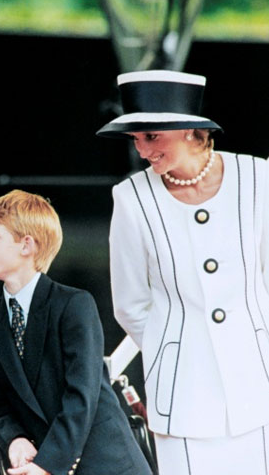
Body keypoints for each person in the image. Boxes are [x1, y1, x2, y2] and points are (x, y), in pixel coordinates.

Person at [99, 70, 269, 474]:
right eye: (136, 139)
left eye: (151, 136)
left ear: (191, 129)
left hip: (259, 383)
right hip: (182, 397)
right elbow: (130, 304)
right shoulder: (131, 198)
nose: (142, 151)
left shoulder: (259, 178)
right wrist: (173, 348)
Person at [0, 189, 152, 475]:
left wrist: (48, 464)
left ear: (26, 245)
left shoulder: (73, 305)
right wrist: (16, 439)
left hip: (103, 463)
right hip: (37, 463)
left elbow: (81, 395)